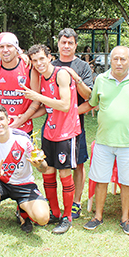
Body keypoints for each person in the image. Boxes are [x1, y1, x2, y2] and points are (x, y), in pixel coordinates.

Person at [79, 46, 129, 235]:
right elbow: (93, 102)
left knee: (127, 183)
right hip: (103, 141)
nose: (119, 63)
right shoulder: (101, 80)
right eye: (115, 59)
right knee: (101, 180)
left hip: (128, 143)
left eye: (123, 59)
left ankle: (125, 219)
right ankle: (97, 217)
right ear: (110, 60)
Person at [20, 44, 81, 235]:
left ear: (49, 57)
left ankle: (67, 217)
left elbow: (64, 105)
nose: (38, 63)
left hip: (66, 133)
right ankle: (54, 212)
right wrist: (20, 120)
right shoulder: (39, 76)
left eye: (41, 59)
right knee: (48, 172)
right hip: (49, 132)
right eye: (34, 60)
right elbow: (44, 108)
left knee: (64, 174)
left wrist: (37, 96)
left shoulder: (61, 74)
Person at [0, 105, 50, 246]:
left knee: (43, 218)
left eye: (1, 119)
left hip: (24, 185)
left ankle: (23, 211)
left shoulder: (23, 139)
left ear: (8, 120)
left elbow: (44, 169)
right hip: (0, 184)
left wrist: (39, 164)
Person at [52, 28, 93, 219]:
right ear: (58, 44)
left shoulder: (83, 67)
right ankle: (56, 204)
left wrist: (74, 77)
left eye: (70, 43)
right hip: (53, 126)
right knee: (54, 165)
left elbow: (88, 97)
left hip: (76, 126)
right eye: (63, 42)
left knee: (78, 165)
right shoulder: (51, 65)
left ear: (75, 45)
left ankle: (76, 202)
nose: (66, 46)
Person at [0, 32, 39, 134]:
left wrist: (23, 119)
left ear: (16, 48)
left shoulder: (29, 68)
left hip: (23, 127)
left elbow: (37, 99)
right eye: (1, 46)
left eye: (9, 46)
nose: (5, 50)